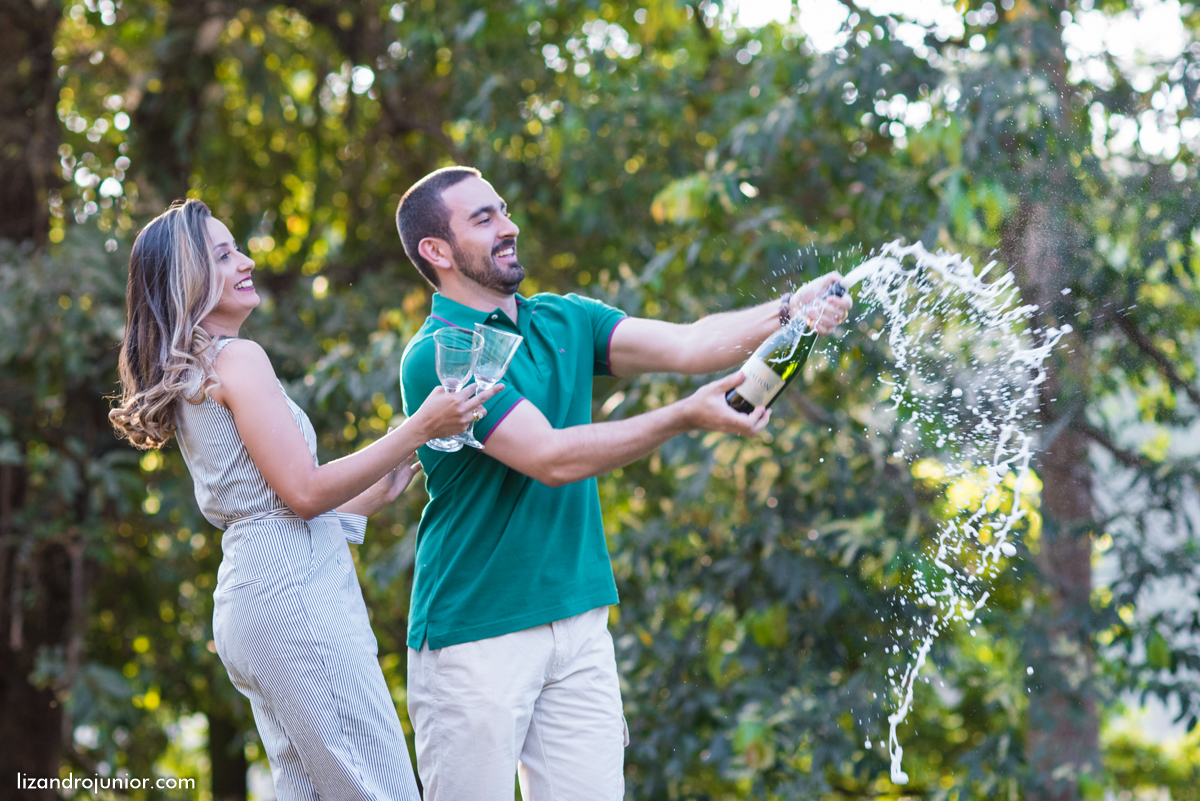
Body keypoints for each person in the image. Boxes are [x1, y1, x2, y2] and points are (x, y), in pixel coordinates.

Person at [395, 166, 852, 800]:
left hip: (578, 621)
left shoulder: (564, 321)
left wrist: (787, 310)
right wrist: (684, 416)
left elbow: (690, 345)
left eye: (503, 210)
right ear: (436, 251)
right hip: (477, 635)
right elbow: (550, 457)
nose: (509, 226)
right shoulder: (441, 354)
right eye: (484, 219)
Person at [108, 198, 500, 801]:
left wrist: (393, 468)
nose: (246, 260)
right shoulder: (238, 358)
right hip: (291, 603)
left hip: (260, 600)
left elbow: (278, 505)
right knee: (381, 788)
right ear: (188, 278)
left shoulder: (203, 368)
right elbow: (303, 494)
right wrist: (419, 427)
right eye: (223, 254)